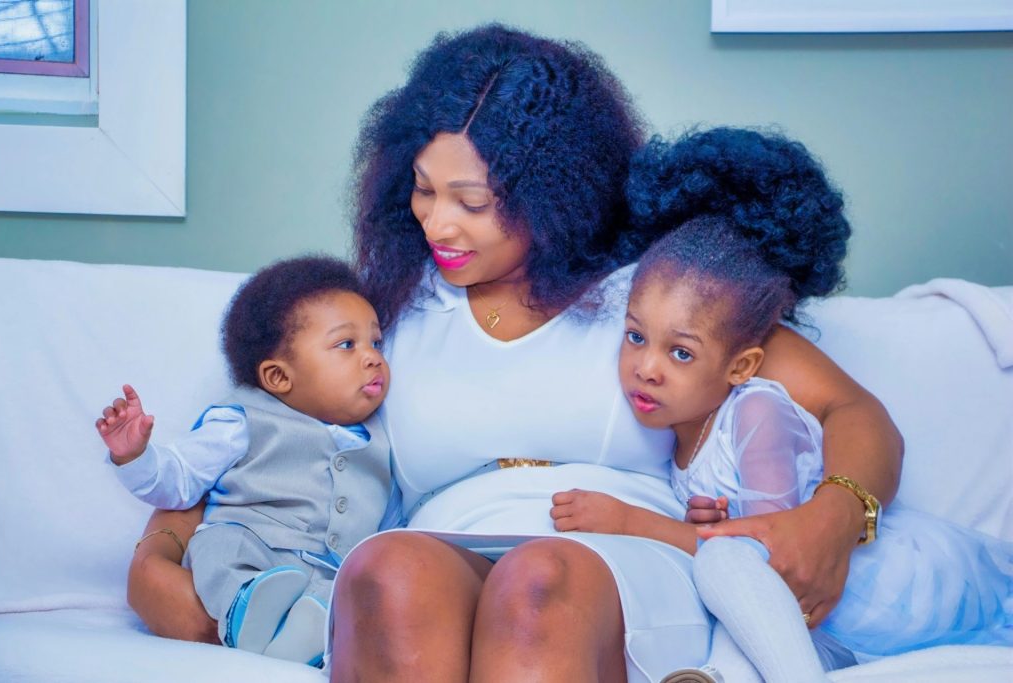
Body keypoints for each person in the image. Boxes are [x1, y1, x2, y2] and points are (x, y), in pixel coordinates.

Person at [126, 25, 904, 682]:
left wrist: (837, 515)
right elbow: (264, 426)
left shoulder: (656, 298)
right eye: (423, 190)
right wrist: (158, 552)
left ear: (554, 192)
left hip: (619, 561)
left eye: (471, 202)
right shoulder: (386, 310)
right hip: (442, 550)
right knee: (385, 569)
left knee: (536, 578)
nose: (437, 224)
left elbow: (853, 410)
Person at [551, 129, 1013, 683]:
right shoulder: (687, 393)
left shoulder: (756, 405)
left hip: (893, 587)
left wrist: (629, 521)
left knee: (725, 567)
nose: (648, 367)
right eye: (635, 338)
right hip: (821, 619)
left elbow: (768, 548)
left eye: (679, 351)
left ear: (741, 361)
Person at [97, 256, 395, 666]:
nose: (372, 357)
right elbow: (179, 481)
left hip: (326, 571)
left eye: (376, 343)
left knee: (349, 595)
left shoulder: (384, 439)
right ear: (278, 377)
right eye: (347, 344)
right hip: (253, 546)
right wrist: (134, 455)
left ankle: (302, 640)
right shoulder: (242, 419)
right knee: (219, 547)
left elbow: (390, 523)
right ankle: (245, 611)